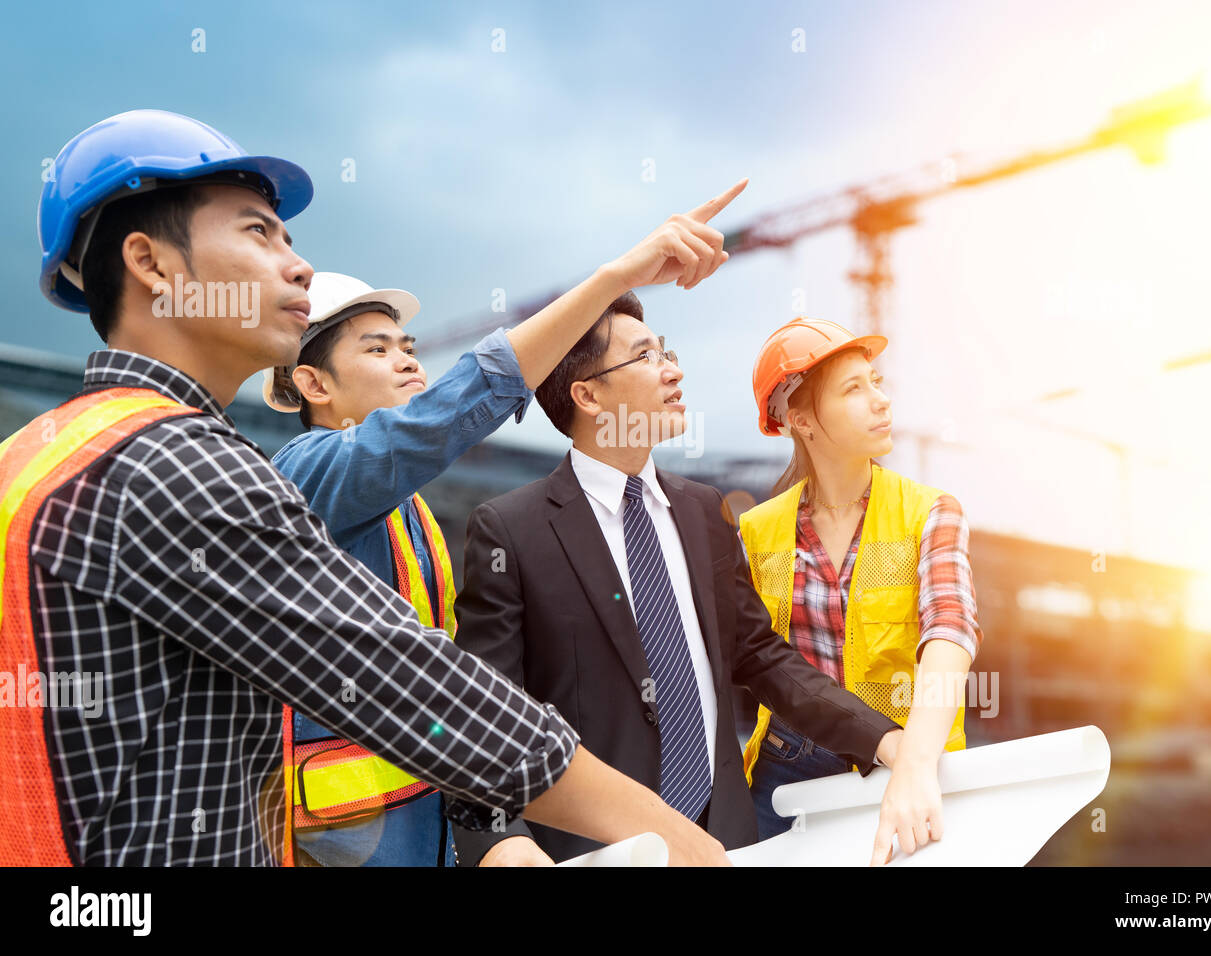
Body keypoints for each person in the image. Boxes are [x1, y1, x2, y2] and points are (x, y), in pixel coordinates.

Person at [0, 108, 731, 866]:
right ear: (152, 264)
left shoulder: (47, 454)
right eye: (258, 231)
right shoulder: (179, 467)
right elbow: (417, 682)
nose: (297, 264)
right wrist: (681, 843)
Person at [265, 173, 745, 869]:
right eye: (375, 348)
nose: (405, 357)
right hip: (344, 842)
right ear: (313, 385)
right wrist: (613, 278)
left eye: (406, 343)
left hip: (418, 830)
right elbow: (438, 421)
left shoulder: (408, 512)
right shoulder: (307, 477)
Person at [447, 292, 916, 866]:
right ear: (588, 395)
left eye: (665, 351)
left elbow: (759, 656)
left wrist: (881, 737)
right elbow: (480, 709)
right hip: (591, 852)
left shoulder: (701, 509)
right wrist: (500, 842)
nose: (674, 370)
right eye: (645, 357)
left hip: (724, 841)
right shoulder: (511, 532)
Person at [741, 316, 985, 864]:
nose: (881, 401)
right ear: (800, 418)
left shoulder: (930, 511)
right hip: (787, 768)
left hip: (908, 757)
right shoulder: (757, 530)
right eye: (855, 388)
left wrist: (916, 765)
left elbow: (950, 629)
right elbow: (750, 657)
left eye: (877, 381)